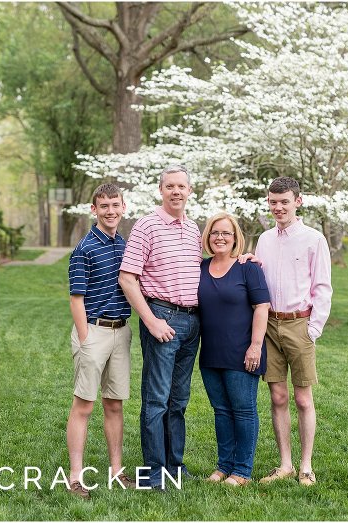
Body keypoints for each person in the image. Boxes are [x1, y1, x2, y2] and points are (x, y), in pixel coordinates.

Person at [118, 164, 202, 489]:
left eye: (182, 186)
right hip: (162, 319)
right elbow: (128, 278)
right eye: (170, 186)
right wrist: (151, 321)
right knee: (156, 399)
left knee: (179, 400)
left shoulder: (193, 229)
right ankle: (153, 474)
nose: (176, 191)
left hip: (192, 322)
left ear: (189, 191)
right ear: (161, 189)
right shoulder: (146, 226)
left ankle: (175, 468)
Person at [255, 177, 332, 486]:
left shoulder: (313, 239)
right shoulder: (264, 239)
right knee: (278, 395)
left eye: (284, 201)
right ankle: (285, 464)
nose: (278, 207)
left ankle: (306, 466)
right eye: (273, 202)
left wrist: (313, 329)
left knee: (303, 398)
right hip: (270, 324)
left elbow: (323, 287)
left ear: (297, 201)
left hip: (300, 324)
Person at [67, 183, 133, 498]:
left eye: (115, 205)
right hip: (93, 331)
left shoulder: (124, 244)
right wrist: (84, 338)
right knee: (84, 404)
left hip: (121, 332)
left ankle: (117, 471)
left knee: (114, 404)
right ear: (94, 209)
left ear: (123, 207)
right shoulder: (84, 248)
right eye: (103, 206)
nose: (110, 211)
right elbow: (76, 298)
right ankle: (76, 477)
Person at [198, 212, 270, 487]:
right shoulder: (201, 268)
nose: (220, 237)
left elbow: (261, 307)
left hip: (242, 352)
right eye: (215, 232)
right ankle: (223, 465)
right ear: (208, 237)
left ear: (235, 237)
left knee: (243, 410)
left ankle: (242, 471)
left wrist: (255, 346)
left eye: (226, 233)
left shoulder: (248, 268)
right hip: (211, 353)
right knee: (221, 411)